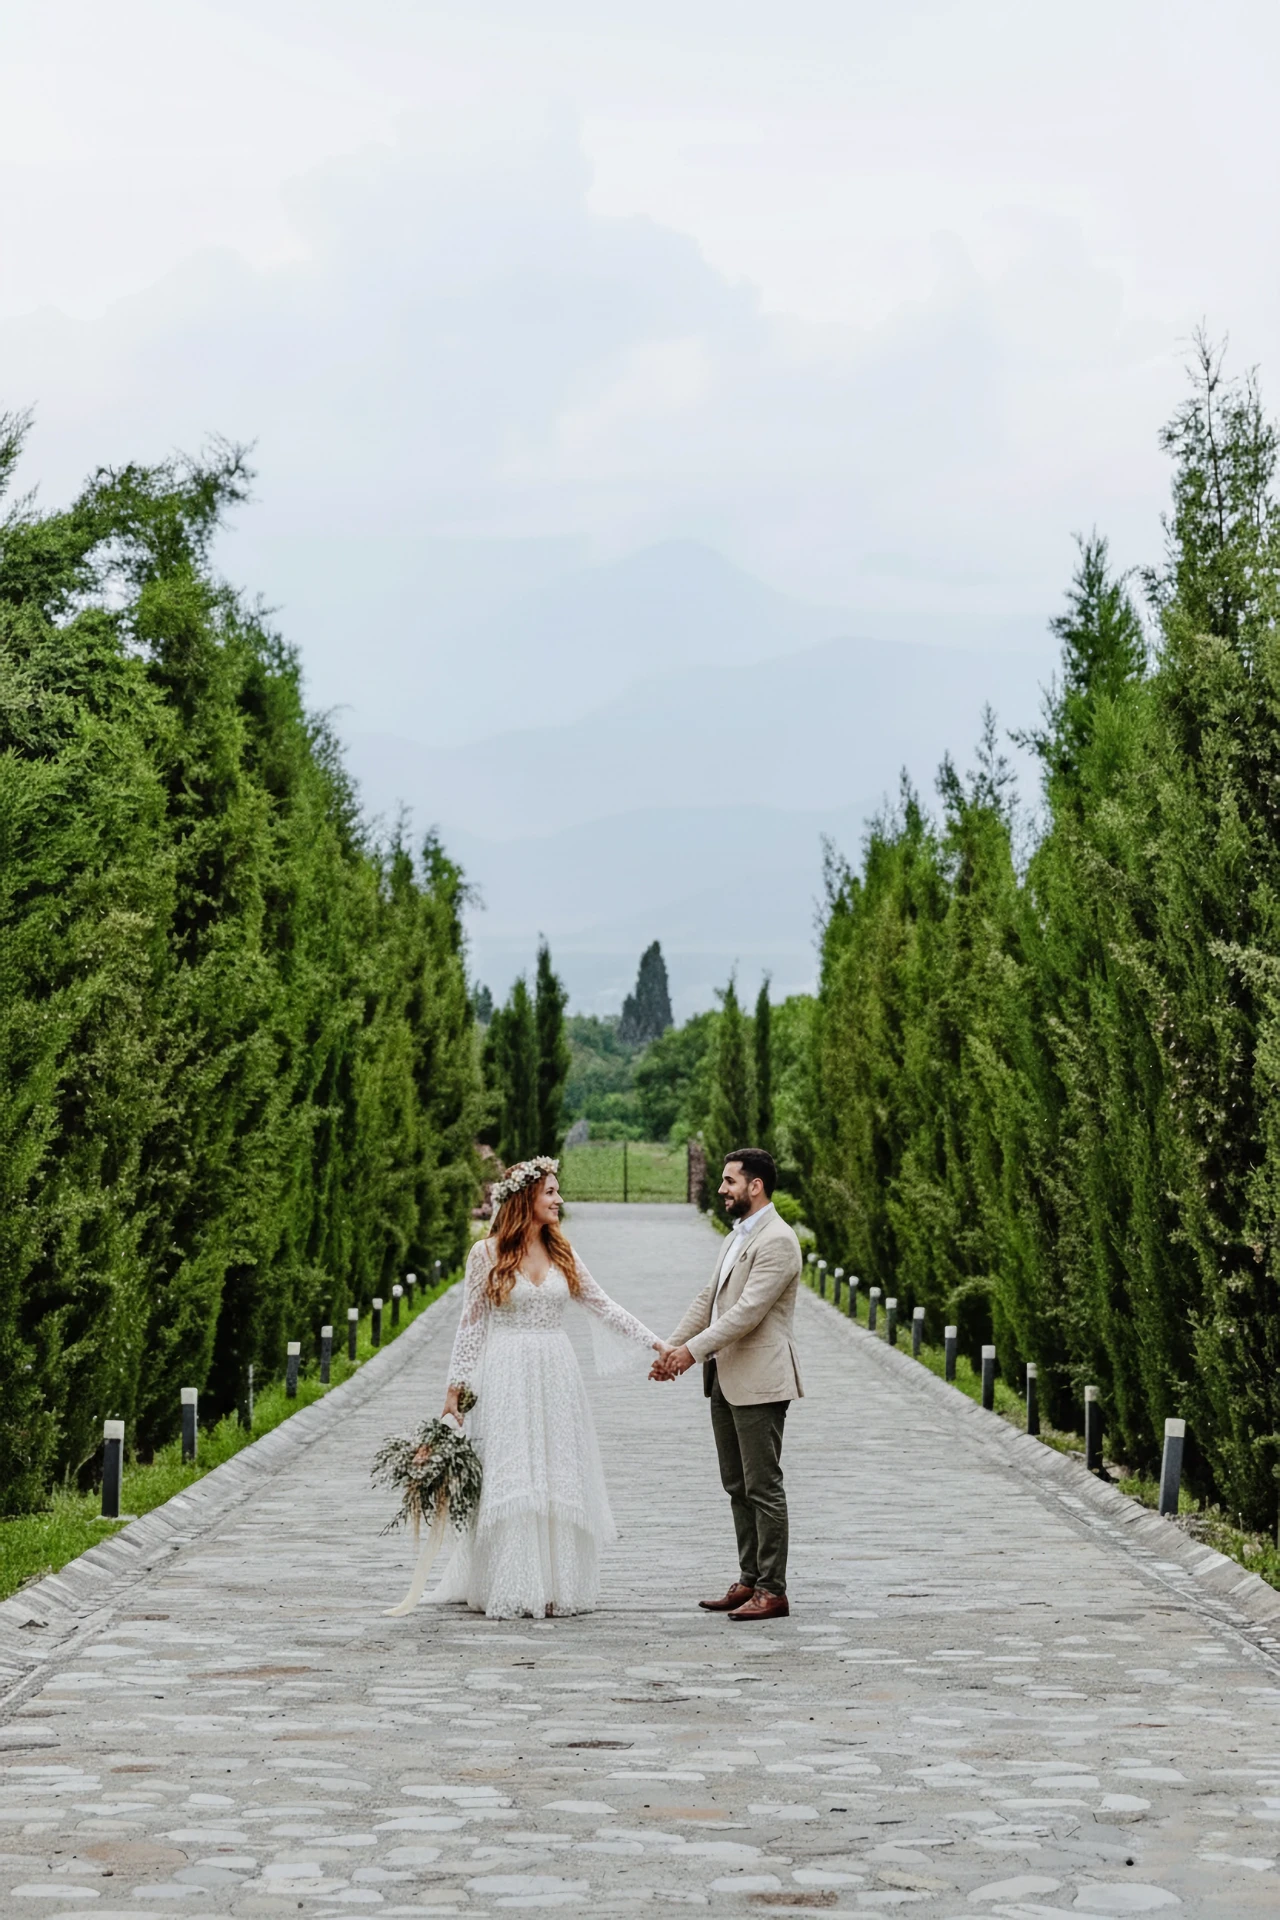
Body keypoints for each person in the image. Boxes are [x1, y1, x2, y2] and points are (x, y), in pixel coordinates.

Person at [430, 1156, 669, 1618]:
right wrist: (453, 1393)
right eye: (551, 1192)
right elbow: (471, 1328)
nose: (559, 1200)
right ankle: (514, 1582)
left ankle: (557, 1583)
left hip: (557, 1374)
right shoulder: (486, 1254)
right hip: (506, 1373)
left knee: (557, 1467)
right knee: (514, 1468)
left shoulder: (564, 1253)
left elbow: (604, 1306)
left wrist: (657, 1343)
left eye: (558, 1192)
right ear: (525, 1199)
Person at [651, 1147, 803, 1620]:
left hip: (759, 1380)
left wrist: (690, 1353)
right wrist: (669, 1349)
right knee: (736, 1484)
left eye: (729, 1181)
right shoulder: (737, 1236)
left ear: (754, 1186)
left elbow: (746, 1313)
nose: (721, 1189)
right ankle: (750, 1578)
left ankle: (773, 1590)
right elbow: (710, 1300)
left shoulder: (778, 1241)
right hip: (724, 1376)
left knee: (763, 1485)